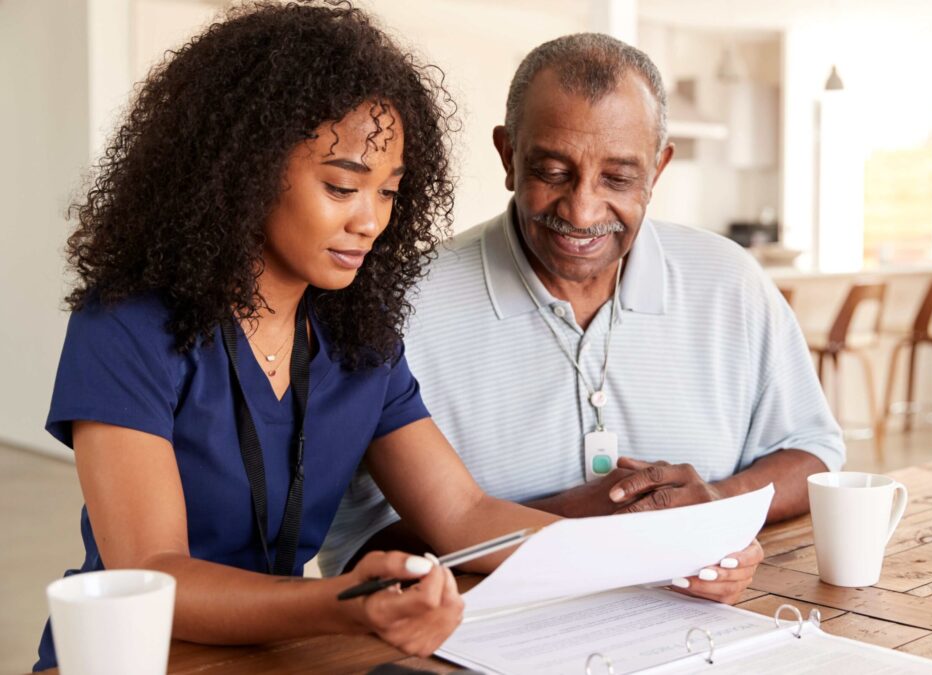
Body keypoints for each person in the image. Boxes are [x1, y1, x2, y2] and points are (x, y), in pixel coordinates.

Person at [33, 2, 567, 670]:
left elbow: (463, 509)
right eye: (343, 186)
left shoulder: (358, 339)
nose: (371, 221)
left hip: (287, 650)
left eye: (389, 193)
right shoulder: (125, 326)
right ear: (244, 170)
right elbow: (152, 571)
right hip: (137, 657)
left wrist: (655, 553)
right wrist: (340, 600)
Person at [321, 34, 845, 587]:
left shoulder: (730, 281)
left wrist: (714, 506)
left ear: (658, 170)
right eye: (552, 172)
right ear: (508, 156)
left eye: (618, 178)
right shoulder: (400, 304)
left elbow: (813, 452)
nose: (583, 209)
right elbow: (358, 547)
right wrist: (574, 519)